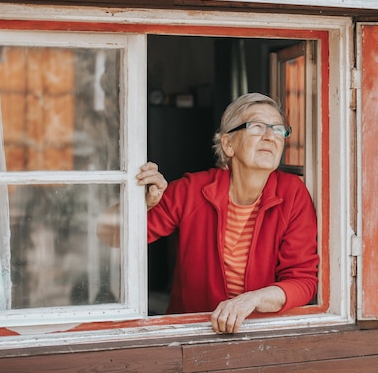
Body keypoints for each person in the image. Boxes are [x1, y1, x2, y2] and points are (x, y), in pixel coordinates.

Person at [102, 93, 319, 334]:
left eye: (278, 129)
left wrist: (251, 300)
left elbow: (303, 281)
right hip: (193, 332)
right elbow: (111, 236)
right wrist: (141, 204)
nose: (270, 137)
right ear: (228, 144)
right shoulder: (192, 190)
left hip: (261, 332)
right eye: (257, 127)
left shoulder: (292, 194)